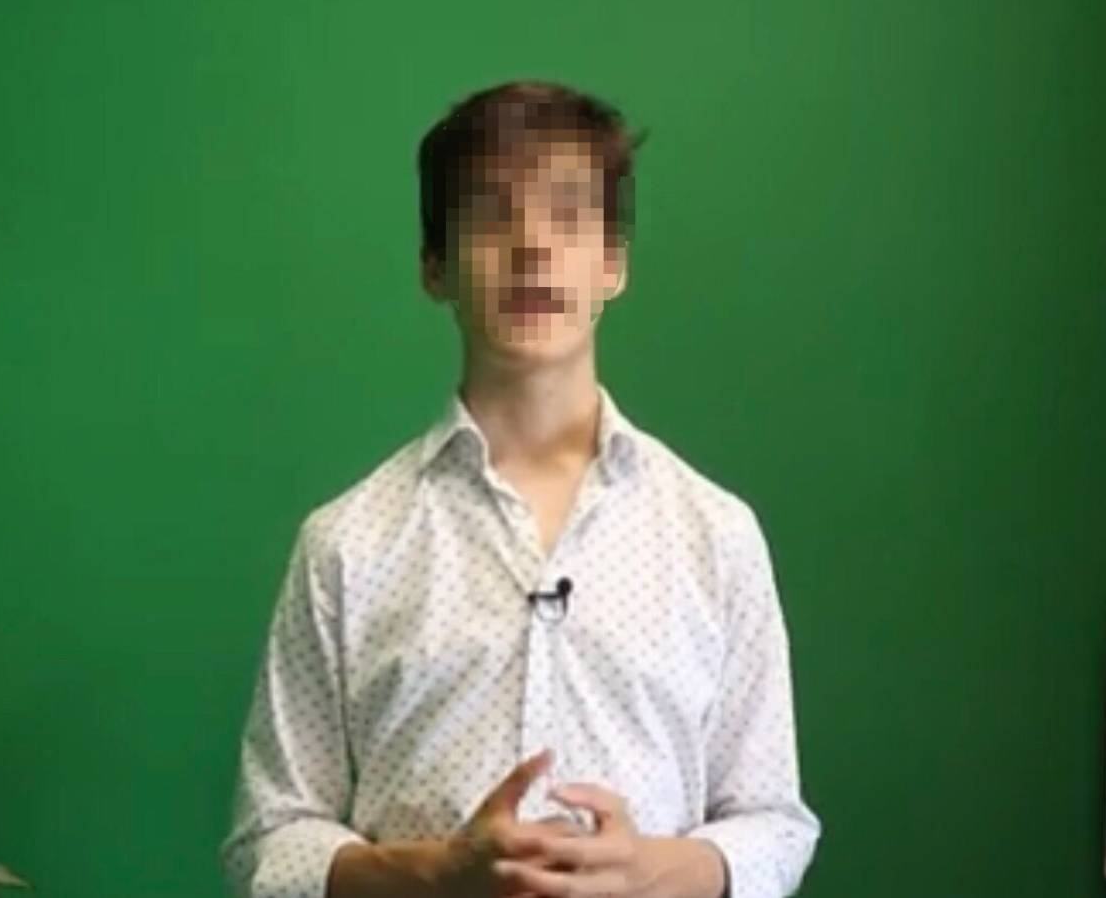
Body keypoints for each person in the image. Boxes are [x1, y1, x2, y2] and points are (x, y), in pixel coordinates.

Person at [219, 79, 822, 898]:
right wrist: (434, 875)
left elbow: (773, 825)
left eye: (568, 217)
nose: (533, 246)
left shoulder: (715, 533)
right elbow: (269, 840)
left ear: (613, 265)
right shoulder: (346, 544)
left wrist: (651, 870)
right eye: (492, 215)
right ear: (435, 266)